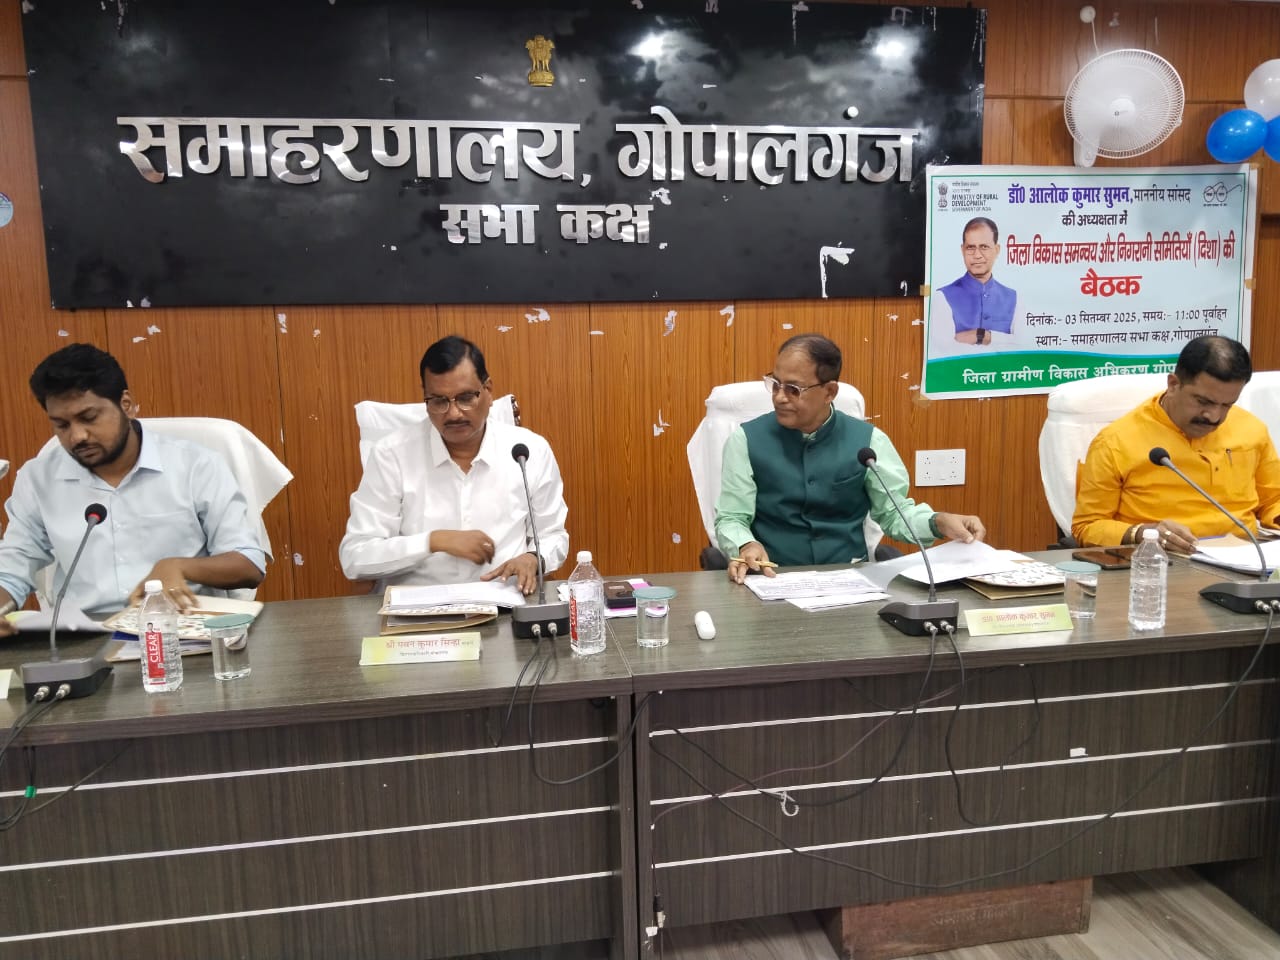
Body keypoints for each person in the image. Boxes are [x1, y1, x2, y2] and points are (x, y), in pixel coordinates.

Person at [0, 344, 266, 635]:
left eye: (89, 418)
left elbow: (249, 565)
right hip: (83, 637)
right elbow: (12, 568)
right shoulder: (38, 479)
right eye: (61, 425)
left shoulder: (196, 465)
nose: (77, 436)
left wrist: (180, 566)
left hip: (179, 629)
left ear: (126, 405)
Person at [714, 334, 988, 583]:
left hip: (848, 580)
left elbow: (893, 513)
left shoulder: (869, 442)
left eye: (793, 389)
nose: (779, 398)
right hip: (773, 577)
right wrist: (746, 544)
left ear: (829, 392)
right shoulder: (746, 440)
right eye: (775, 384)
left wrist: (938, 521)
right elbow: (731, 517)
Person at [340, 335, 569, 594]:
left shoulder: (528, 450)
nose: (454, 413)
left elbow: (553, 535)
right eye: (439, 401)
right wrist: (433, 541)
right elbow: (355, 556)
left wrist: (533, 558)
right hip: (417, 609)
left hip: (505, 603)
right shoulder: (392, 454)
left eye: (465, 398)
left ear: (488, 391)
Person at [1073, 335, 1280, 551]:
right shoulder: (1115, 442)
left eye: (1227, 405)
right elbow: (1087, 527)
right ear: (1173, 384)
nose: (1214, 416)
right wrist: (1144, 533)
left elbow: (1274, 501)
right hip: (1162, 559)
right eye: (1203, 402)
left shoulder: (1252, 429)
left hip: (1247, 558)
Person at [932, 217, 1020, 348]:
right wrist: (1004, 340)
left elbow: (1024, 345)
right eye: (970, 247)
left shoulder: (1014, 298)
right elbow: (942, 349)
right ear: (962, 250)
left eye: (984, 247)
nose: (977, 255)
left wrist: (982, 335)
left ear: (997, 250)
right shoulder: (942, 297)